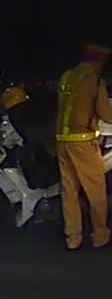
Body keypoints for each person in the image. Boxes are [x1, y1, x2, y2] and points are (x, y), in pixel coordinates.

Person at [54, 43, 112, 250]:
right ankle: (100, 235)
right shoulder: (94, 80)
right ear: (98, 61)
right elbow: (107, 115)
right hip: (83, 142)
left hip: (62, 140)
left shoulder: (67, 76)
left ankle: (73, 237)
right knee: (96, 190)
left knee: (69, 191)